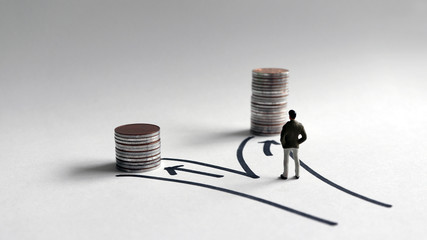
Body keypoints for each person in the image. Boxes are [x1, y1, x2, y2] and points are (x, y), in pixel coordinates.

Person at [280, 110, 307, 180]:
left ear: (289, 116)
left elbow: (282, 137)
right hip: (295, 145)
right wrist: (298, 142)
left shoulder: (286, 126)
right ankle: (297, 174)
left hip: (287, 145)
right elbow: (304, 137)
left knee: (286, 160)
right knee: (296, 159)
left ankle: (285, 175)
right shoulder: (299, 125)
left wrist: (284, 144)